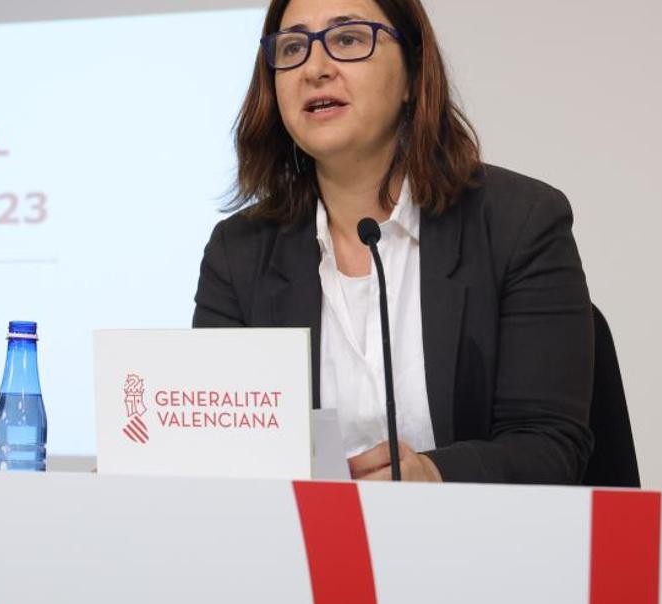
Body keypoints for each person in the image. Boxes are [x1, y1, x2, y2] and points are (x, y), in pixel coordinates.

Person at [192, 0, 594, 484]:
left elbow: (549, 446)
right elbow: (217, 449)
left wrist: (436, 475)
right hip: (302, 551)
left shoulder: (519, 225)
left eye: (347, 39)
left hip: (480, 547)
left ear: (413, 74)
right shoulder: (240, 253)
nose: (315, 69)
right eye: (293, 47)